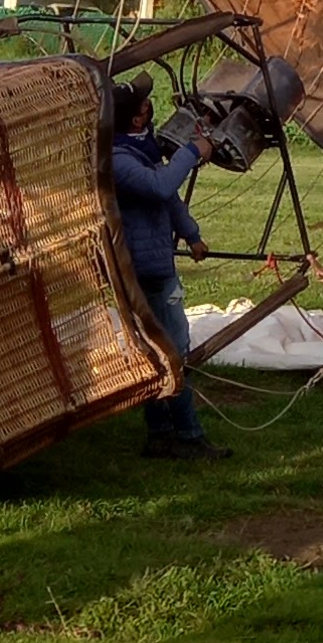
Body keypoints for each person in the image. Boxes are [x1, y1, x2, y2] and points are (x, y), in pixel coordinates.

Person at [111, 77, 224, 460]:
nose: (148, 107)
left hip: (156, 264)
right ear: (133, 118)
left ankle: (161, 435)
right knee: (174, 351)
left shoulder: (138, 148)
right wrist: (192, 151)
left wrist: (191, 235)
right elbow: (161, 186)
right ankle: (187, 436)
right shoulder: (118, 159)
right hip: (146, 269)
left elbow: (169, 198)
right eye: (141, 105)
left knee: (157, 351)